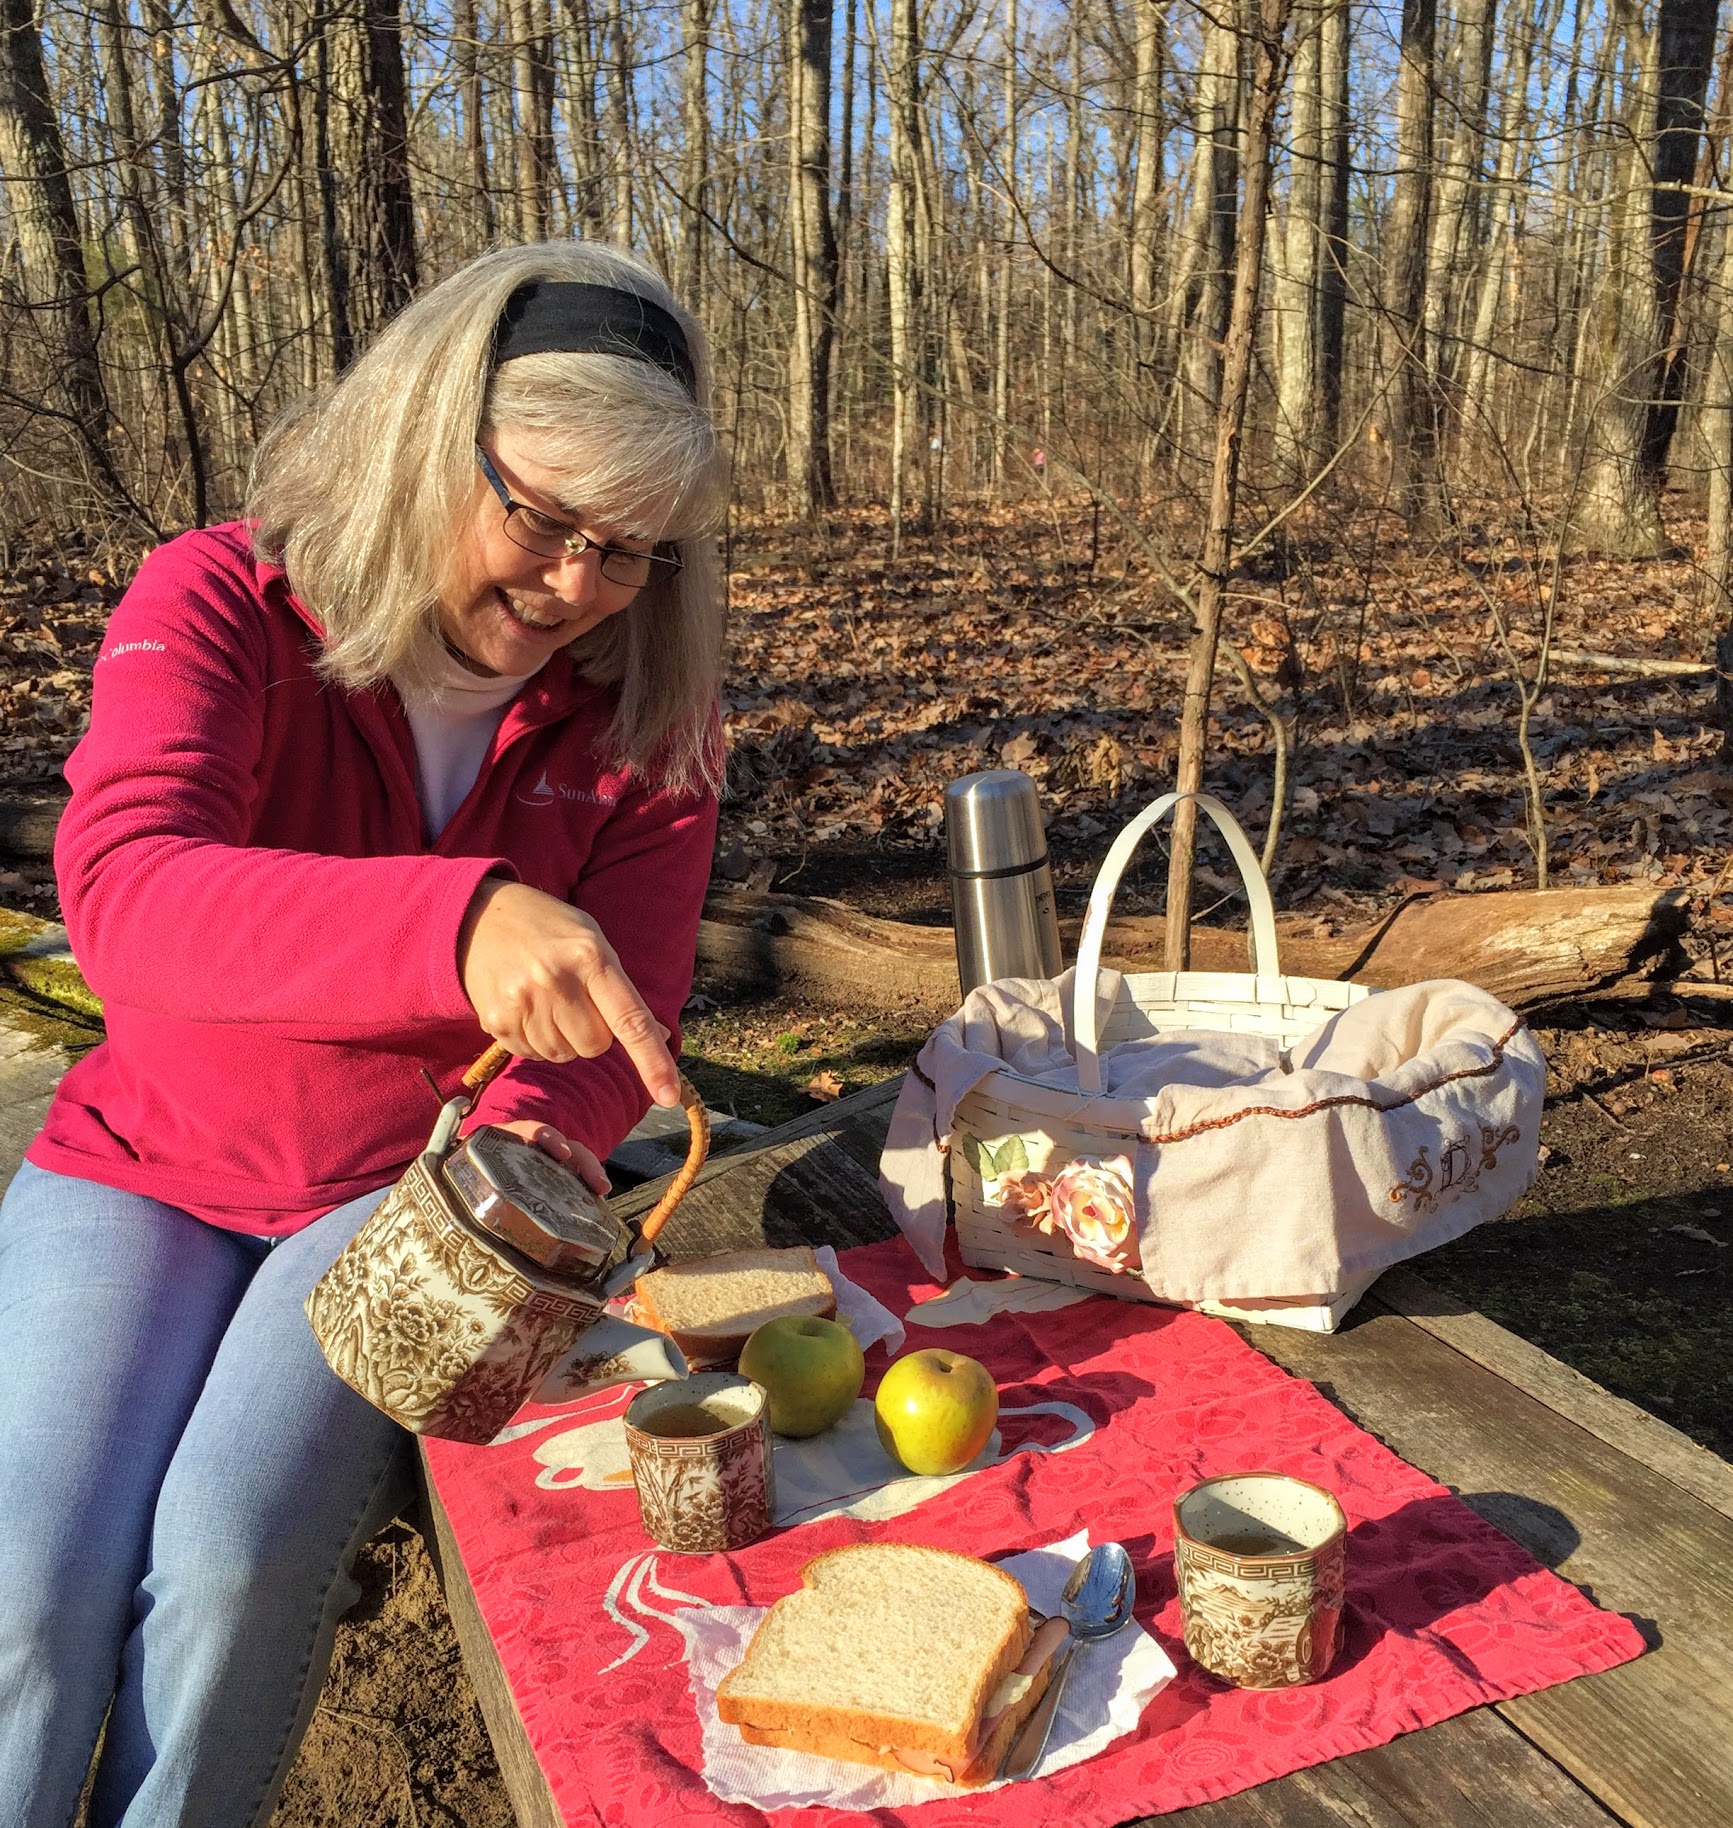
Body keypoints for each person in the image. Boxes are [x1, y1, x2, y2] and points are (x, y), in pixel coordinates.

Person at [0, 241, 727, 1826]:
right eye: (538, 518)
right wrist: (455, 923)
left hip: (397, 1206)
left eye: (630, 553)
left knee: (227, 1559)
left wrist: (541, 1136)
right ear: (423, 432)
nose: (574, 590)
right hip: (147, 1162)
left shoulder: (647, 719)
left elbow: (619, 1016)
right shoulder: (221, 599)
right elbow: (128, 888)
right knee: (27, 1583)